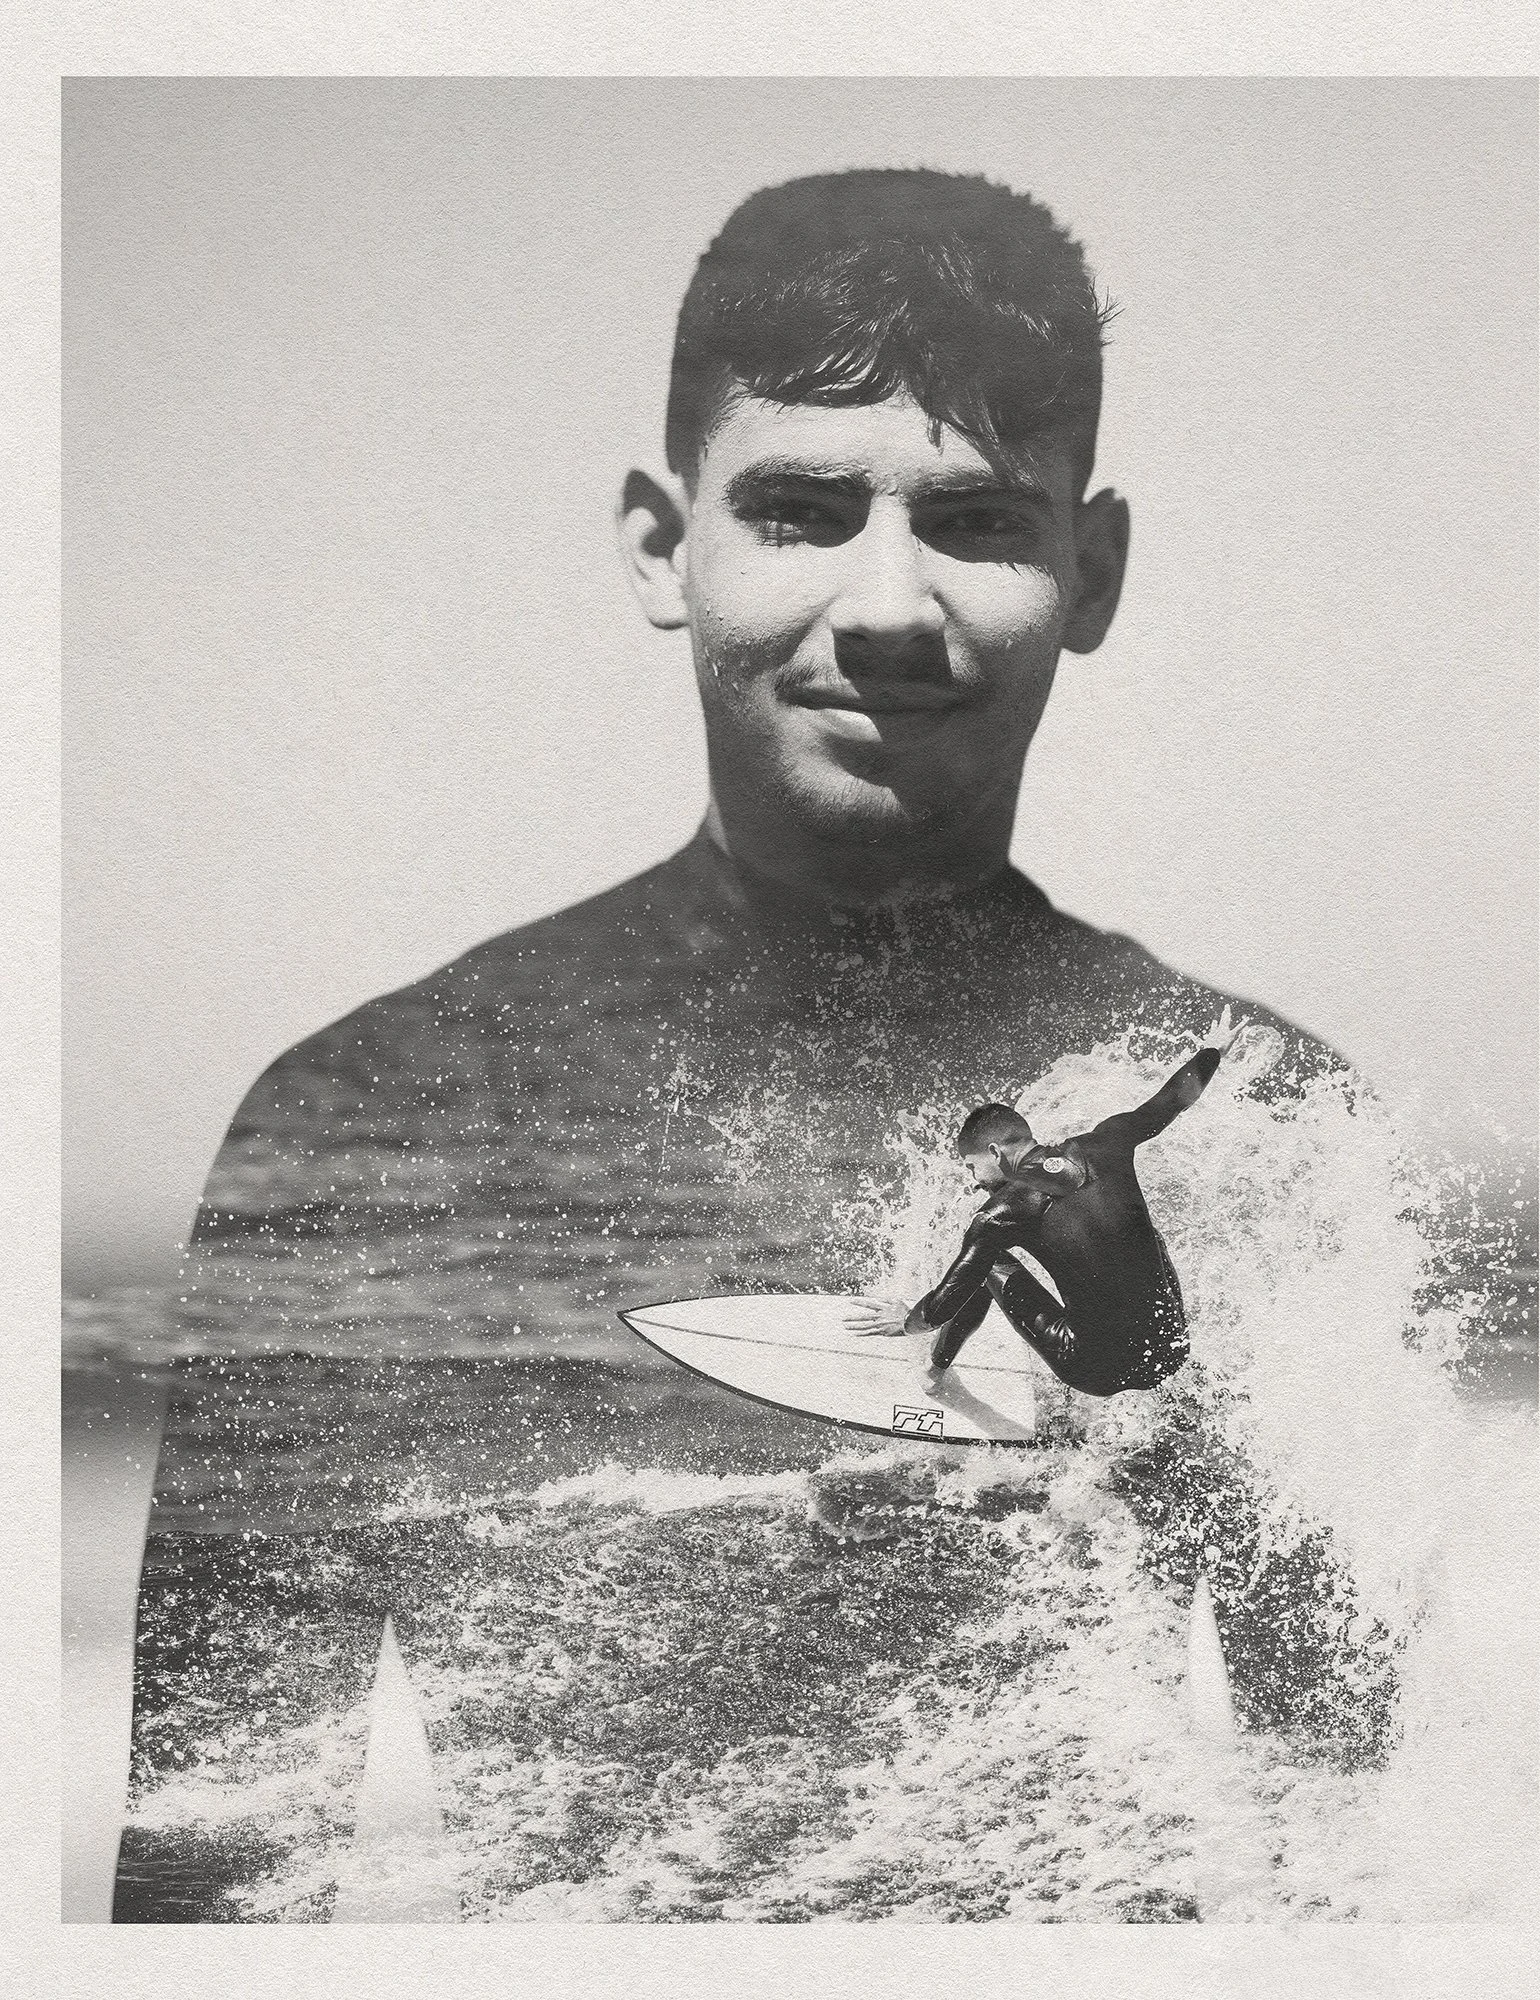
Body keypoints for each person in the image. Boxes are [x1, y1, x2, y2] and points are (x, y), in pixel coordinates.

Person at [115, 167, 1333, 1920]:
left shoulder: (1283, 1151)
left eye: (979, 521)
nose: (891, 603)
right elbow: (202, 1882)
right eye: (802, 511)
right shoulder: (359, 1131)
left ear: (1095, 569)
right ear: (660, 544)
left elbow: (1374, 1855)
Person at [848, 1007, 1247, 1397]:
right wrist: (1212, 1052)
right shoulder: (1107, 1142)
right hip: (1170, 1353)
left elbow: (941, 1306)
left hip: (1095, 1370)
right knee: (1147, 1235)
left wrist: (905, 1322)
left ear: (995, 1152)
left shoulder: (998, 1215)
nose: (974, 1182)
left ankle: (933, 1373)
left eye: (972, 1167)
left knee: (989, 1263)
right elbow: (1170, 1101)